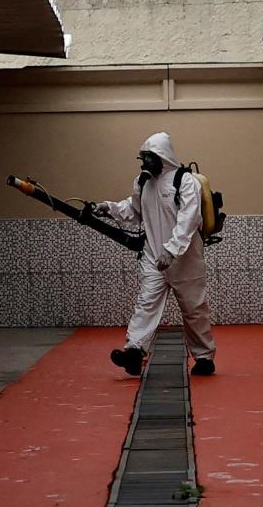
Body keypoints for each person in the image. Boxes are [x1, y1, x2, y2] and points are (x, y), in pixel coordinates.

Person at [89, 131, 217, 377]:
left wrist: (171, 250)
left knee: (194, 309)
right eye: (143, 158)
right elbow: (133, 209)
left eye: (149, 157)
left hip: (185, 259)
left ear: (163, 156)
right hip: (153, 256)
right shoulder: (142, 182)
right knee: (146, 304)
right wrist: (109, 208)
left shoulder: (185, 181)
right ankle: (134, 352)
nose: (145, 162)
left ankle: (203, 357)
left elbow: (189, 219)